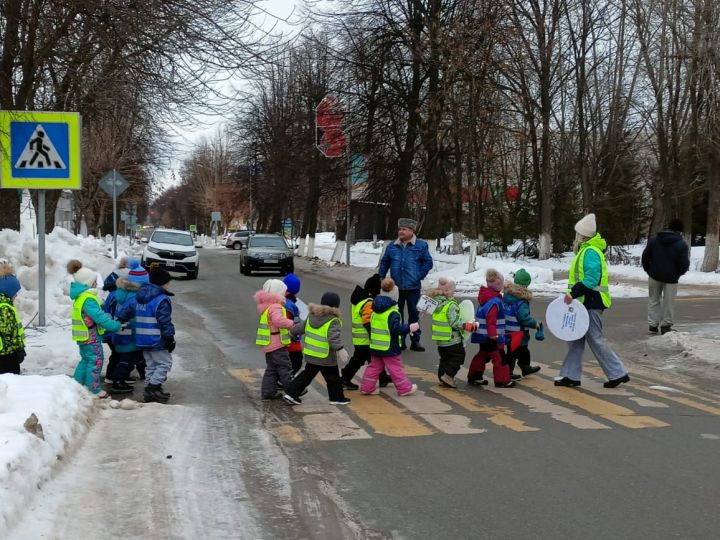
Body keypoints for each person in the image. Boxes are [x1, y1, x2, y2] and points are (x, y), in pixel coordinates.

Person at [556, 214, 630, 388]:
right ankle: (571, 376)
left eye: (577, 234)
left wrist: (573, 293)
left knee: (595, 339)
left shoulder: (590, 251)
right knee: (574, 339)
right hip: (583, 302)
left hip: (591, 301)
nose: (575, 237)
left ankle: (618, 373)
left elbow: (592, 278)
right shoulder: (586, 250)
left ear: (582, 235)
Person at [118, 266, 176, 403]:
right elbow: (165, 321)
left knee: (151, 365)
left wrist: (119, 319)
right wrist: (170, 337)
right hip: (157, 339)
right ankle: (153, 387)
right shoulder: (161, 299)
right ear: (162, 283)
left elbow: (126, 311)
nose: (169, 285)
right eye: (168, 282)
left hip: (141, 338)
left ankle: (151, 391)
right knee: (164, 364)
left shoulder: (139, 296)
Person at [282, 292, 351, 406]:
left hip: (311, 354)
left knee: (306, 375)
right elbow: (333, 338)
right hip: (326, 356)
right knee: (333, 377)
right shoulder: (333, 320)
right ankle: (336, 397)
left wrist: (291, 332)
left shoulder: (312, 315)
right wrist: (340, 349)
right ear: (335, 306)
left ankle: (291, 393)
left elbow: (300, 327)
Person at [378, 218, 434, 351]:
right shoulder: (392, 246)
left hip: (413, 287)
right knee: (397, 314)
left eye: (404, 229)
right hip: (395, 288)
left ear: (411, 231)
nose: (400, 231)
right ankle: (400, 341)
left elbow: (428, 263)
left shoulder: (421, 245)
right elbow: (385, 262)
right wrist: (381, 278)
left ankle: (415, 341)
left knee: (414, 314)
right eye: (399, 229)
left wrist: (419, 275)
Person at [67, 260, 121, 397]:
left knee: (86, 360)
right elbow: (99, 317)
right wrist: (114, 325)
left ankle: (77, 385)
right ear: (87, 283)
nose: (97, 284)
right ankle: (93, 388)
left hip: (84, 336)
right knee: (96, 360)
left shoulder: (81, 297)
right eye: (94, 282)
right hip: (91, 337)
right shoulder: (88, 299)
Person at [360, 278, 419, 396]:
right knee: (395, 368)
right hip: (389, 346)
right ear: (395, 296)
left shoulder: (375, 309)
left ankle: (367, 387)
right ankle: (404, 388)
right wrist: (409, 328)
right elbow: (396, 328)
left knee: (374, 367)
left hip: (376, 345)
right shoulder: (392, 312)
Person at [341, 274, 391, 389]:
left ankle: (382, 377)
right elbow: (368, 321)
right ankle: (344, 379)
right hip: (365, 339)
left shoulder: (360, 299)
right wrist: (373, 335)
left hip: (360, 338)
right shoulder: (368, 302)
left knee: (373, 359)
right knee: (358, 361)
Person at [641, 218, 690, 335]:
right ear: (680, 231)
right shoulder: (681, 244)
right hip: (671, 279)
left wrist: (649, 270)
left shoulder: (654, 240)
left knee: (653, 300)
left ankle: (653, 324)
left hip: (654, 275)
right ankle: (666, 325)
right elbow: (684, 263)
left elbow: (645, 257)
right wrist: (678, 273)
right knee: (668, 302)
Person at [467, 269, 514, 388]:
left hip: (483, 335)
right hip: (492, 336)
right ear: (498, 285)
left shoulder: (486, 297)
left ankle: (474, 376)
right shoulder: (494, 301)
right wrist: (493, 335)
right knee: (500, 358)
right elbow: (491, 320)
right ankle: (502, 380)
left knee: (483, 355)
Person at [108, 260, 148, 395]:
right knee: (128, 360)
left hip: (121, 333)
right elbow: (136, 318)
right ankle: (118, 381)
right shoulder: (136, 298)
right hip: (131, 334)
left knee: (123, 358)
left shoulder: (122, 293)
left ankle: (120, 380)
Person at [254, 279, 296, 400]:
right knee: (285, 367)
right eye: (283, 293)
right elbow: (278, 321)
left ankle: (268, 392)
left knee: (272, 369)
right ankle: (293, 391)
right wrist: (292, 323)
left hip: (269, 344)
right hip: (276, 343)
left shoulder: (266, 307)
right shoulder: (276, 306)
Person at [502, 268, 543, 380]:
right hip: (518, 332)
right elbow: (523, 317)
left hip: (508, 330)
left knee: (523, 350)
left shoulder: (508, 296)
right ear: (525, 286)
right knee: (513, 353)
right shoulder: (521, 300)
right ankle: (508, 372)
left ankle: (525, 367)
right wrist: (535, 324)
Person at [428, 277, 466, 388]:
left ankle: (442, 378)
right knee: (458, 357)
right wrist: (464, 325)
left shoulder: (435, 303)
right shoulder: (451, 305)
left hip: (440, 340)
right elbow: (454, 322)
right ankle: (448, 376)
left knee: (444, 359)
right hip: (452, 338)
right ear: (449, 291)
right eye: (453, 291)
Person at [0, 262, 26, 375]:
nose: (16, 295)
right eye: (15, 292)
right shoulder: (4, 308)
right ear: (8, 291)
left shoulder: (5, 304)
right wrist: (18, 349)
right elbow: (8, 333)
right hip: (6, 355)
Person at [282, 273, 304, 374]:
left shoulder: (282, 299)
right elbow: (292, 323)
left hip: (283, 339)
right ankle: (285, 381)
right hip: (290, 340)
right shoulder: (290, 304)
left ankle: (282, 380)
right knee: (296, 362)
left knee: (284, 362)